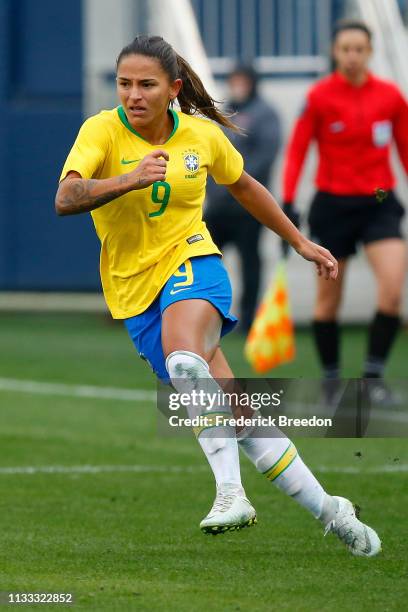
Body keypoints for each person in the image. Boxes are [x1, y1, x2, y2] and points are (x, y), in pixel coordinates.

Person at [55, 34, 380, 557]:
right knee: (240, 416)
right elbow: (66, 197)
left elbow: (244, 184)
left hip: (193, 263)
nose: (133, 95)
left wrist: (298, 241)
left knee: (185, 361)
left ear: (173, 88)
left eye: (146, 85)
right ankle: (331, 510)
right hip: (135, 291)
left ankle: (230, 493)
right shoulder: (100, 131)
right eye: (124, 84)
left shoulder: (201, 137)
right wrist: (128, 178)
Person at [282, 20, 408, 407]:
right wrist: (288, 199)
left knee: (391, 289)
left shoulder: (390, 97)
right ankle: (332, 383)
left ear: (369, 52)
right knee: (328, 302)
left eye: (359, 49)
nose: (352, 56)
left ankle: (372, 379)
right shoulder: (319, 97)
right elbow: (299, 149)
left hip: (379, 200)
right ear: (335, 53)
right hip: (333, 204)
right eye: (345, 49)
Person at [205, 64, 281, 332]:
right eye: (234, 80)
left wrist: (236, 181)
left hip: (248, 208)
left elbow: (265, 157)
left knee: (250, 263)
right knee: (204, 262)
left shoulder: (265, 114)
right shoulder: (223, 112)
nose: (238, 85)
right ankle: (206, 315)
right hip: (217, 207)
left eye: (243, 80)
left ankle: (248, 320)